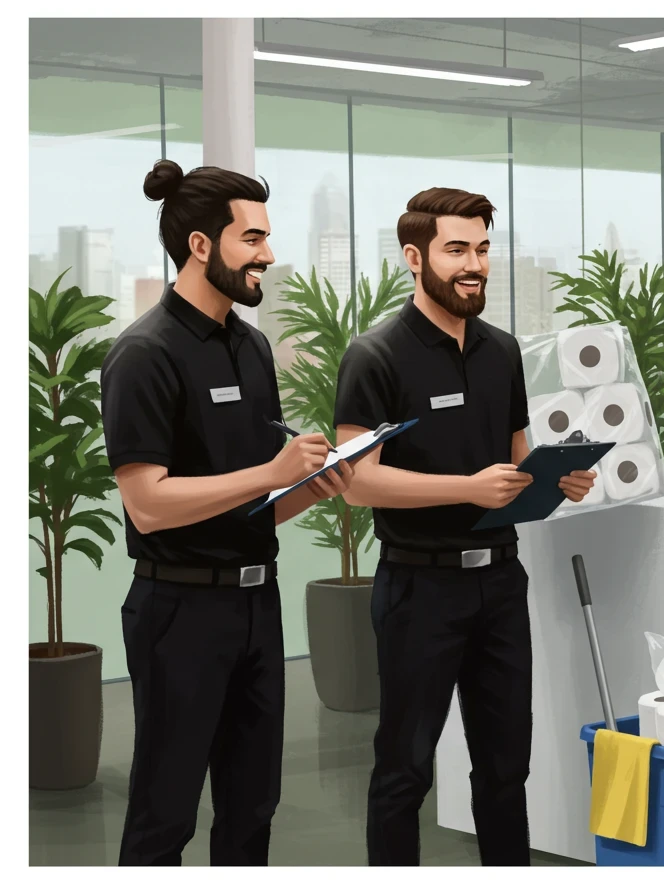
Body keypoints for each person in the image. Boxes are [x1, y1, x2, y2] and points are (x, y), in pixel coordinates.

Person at [101, 160, 358, 865]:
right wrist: (270, 472)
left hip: (257, 607)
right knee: (166, 813)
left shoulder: (253, 347)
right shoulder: (143, 354)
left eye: (267, 238)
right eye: (252, 239)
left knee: (252, 810)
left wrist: (312, 484)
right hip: (178, 613)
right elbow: (147, 504)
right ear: (201, 246)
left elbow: (254, 503)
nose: (268, 255)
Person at [333, 187, 597, 866]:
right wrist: (466, 487)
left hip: (502, 586)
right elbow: (357, 480)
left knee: (508, 770)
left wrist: (556, 481)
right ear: (414, 257)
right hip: (419, 590)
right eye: (457, 250)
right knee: (404, 773)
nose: (474, 263)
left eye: (482, 248)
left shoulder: (502, 351)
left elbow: (515, 462)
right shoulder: (376, 354)